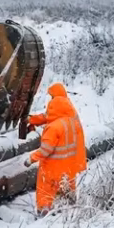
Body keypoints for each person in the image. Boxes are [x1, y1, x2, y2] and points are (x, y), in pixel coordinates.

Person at [24, 82, 86, 214]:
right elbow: (48, 116)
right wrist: (32, 120)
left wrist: (31, 159)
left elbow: (46, 150)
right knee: (66, 184)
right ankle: (68, 206)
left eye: (52, 98)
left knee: (47, 187)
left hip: (53, 165)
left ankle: (44, 211)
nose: (50, 100)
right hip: (69, 162)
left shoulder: (53, 128)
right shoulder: (68, 114)